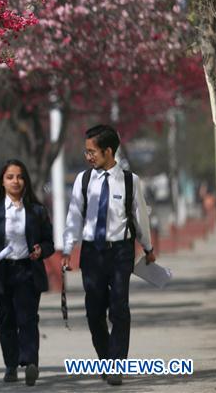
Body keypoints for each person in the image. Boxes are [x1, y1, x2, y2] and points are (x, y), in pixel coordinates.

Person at [61, 125, 155, 386]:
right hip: (91, 252)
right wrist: (68, 248)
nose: (88, 156)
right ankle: (105, 359)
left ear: (108, 151)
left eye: (92, 152)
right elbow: (74, 215)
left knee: (119, 308)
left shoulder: (129, 181)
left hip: (120, 252)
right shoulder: (83, 180)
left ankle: (116, 364)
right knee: (94, 312)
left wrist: (148, 248)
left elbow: (140, 218)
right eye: (86, 151)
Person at [0, 159, 54, 386]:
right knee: (6, 320)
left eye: (19, 177)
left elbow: (48, 242)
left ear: (25, 181)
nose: (15, 181)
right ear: (2, 181)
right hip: (0, 272)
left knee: (28, 318)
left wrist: (41, 250)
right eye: (10, 177)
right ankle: (11, 366)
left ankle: (30, 363)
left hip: (27, 271)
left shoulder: (37, 210)